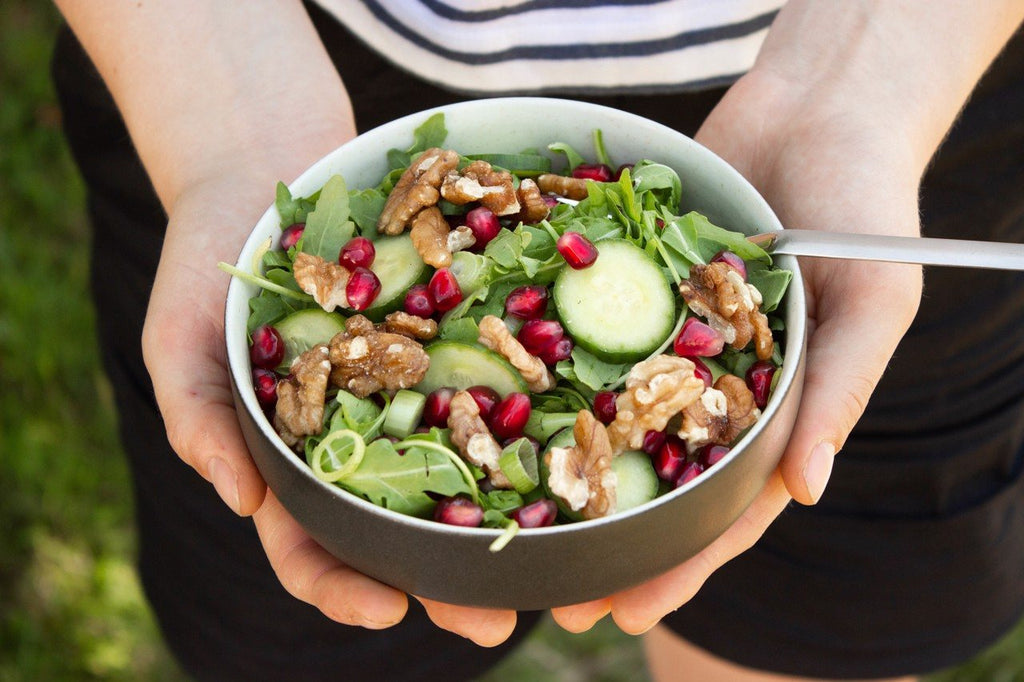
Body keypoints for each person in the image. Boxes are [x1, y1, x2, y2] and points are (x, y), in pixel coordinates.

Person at [50, 1, 1024, 680]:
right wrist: (216, 124)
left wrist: (865, 71)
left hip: (901, 58)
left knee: (817, 644)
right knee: (301, 647)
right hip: (243, 57)